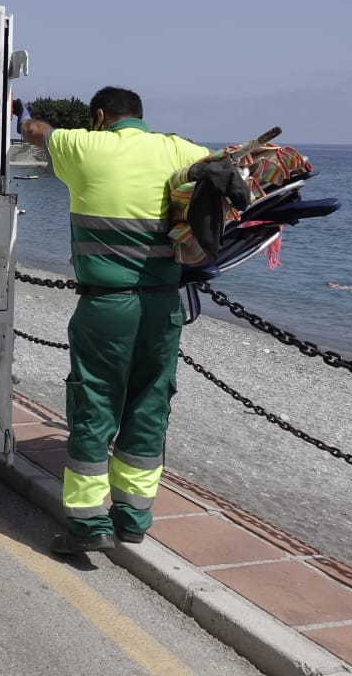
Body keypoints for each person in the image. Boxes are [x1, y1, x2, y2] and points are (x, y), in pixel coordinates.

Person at [20, 87, 209, 554]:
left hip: (107, 305)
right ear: (142, 117)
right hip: (165, 305)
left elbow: (36, 132)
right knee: (150, 403)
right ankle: (133, 518)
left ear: (101, 116)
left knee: (95, 401)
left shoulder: (86, 146)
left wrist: (23, 113)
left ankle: (87, 523)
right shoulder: (182, 149)